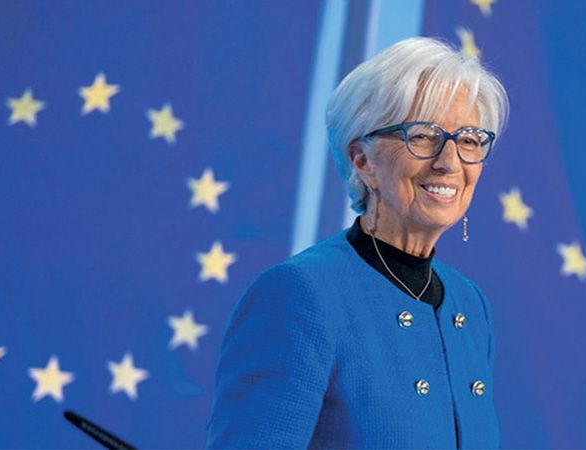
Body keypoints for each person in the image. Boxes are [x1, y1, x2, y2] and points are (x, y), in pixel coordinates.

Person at [205, 36, 508, 449]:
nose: (449, 161)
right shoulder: (298, 296)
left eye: (470, 139)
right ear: (361, 160)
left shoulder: (469, 303)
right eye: (422, 136)